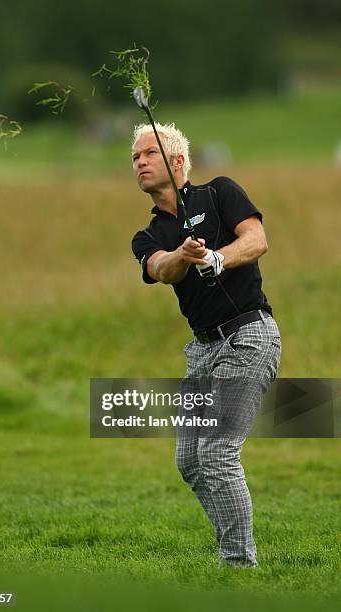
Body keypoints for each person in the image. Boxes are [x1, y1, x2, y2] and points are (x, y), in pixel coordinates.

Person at [131, 122, 281, 569]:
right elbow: (160, 268)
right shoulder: (149, 235)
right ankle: (234, 557)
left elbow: (256, 240)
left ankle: (239, 567)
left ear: (177, 162)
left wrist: (218, 256)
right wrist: (185, 255)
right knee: (190, 462)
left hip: (248, 337)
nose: (138, 162)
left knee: (216, 452)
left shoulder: (219, 192)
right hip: (202, 351)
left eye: (148, 154)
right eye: (134, 157)